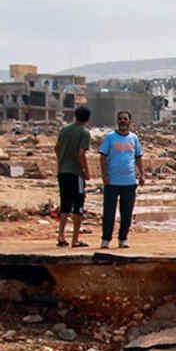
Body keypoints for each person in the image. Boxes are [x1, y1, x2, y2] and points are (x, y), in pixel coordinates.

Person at [98, 110, 144, 249]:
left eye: (125, 119)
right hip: (112, 182)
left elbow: (138, 157)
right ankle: (106, 239)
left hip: (129, 182)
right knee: (109, 213)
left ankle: (122, 239)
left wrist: (142, 174)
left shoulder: (134, 138)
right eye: (120, 119)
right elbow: (102, 157)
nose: (123, 121)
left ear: (129, 121)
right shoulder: (110, 138)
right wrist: (104, 175)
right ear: (117, 121)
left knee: (127, 213)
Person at [54, 105, 91, 248]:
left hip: (62, 171)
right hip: (76, 173)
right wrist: (85, 171)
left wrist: (62, 160)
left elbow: (56, 148)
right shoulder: (84, 133)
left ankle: (61, 236)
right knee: (78, 205)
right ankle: (75, 239)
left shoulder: (64, 130)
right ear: (87, 118)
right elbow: (81, 153)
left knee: (65, 204)